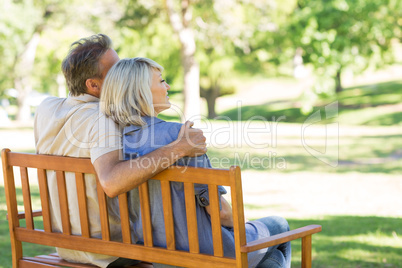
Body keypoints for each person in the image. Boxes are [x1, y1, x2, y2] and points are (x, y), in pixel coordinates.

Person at [34, 34, 207, 268]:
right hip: (109, 248)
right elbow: (111, 182)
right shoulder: (102, 119)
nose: (125, 76)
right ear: (93, 85)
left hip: (65, 244)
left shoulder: (46, 108)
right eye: (116, 73)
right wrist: (179, 148)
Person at [100, 57, 291, 268]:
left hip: (154, 252)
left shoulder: (111, 144)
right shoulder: (180, 137)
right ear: (140, 92)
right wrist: (242, 226)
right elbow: (220, 211)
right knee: (280, 226)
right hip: (208, 253)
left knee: (274, 259)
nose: (168, 86)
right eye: (161, 81)